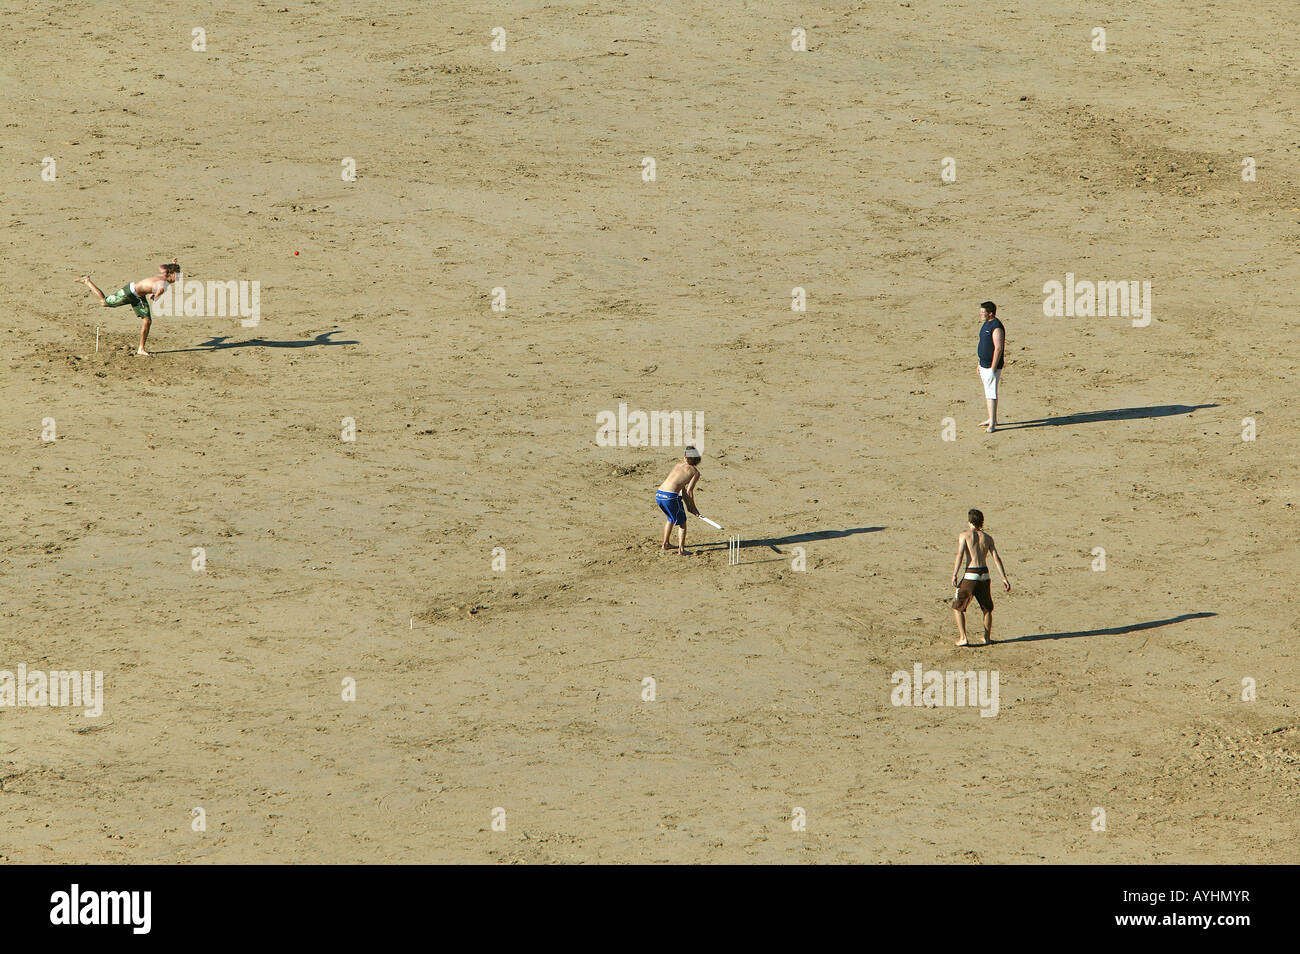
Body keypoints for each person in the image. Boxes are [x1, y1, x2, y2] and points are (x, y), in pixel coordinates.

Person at [77, 260, 180, 356]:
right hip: (129, 293)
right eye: (177, 275)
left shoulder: (164, 272)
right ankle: (87, 281)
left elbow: (161, 267)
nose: (178, 277)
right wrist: (154, 296)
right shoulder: (163, 286)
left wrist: (173, 264)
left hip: (138, 297)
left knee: (147, 321)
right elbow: (154, 298)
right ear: (172, 273)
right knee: (104, 302)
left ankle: (141, 349)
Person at [951, 508, 1010, 646]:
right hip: (984, 573)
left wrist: (955, 574)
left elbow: (959, 555)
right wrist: (1004, 578)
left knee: (957, 606)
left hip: (971, 573)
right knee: (987, 608)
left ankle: (963, 637)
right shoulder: (988, 538)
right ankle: (987, 638)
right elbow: (996, 558)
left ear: (969, 521)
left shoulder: (964, 535)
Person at [655, 447, 702, 554]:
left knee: (671, 518)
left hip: (659, 494)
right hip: (670, 497)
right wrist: (693, 508)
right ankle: (681, 549)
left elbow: (683, 490)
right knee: (683, 524)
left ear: (685, 457)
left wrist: (689, 507)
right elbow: (689, 492)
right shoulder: (695, 472)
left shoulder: (677, 465)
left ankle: (665, 544)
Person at [975, 300, 1006, 433]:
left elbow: (998, 348)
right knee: (988, 392)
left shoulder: (996, 326)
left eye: (983, 312)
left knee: (991, 393)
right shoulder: (986, 324)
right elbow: (984, 345)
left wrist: (993, 369)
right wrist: (979, 363)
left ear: (990, 313)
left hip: (991, 367)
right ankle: (991, 418)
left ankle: (992, 423)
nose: (981, 314)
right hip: (984, 364)